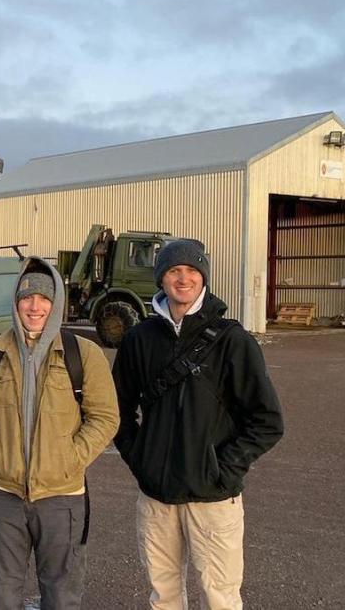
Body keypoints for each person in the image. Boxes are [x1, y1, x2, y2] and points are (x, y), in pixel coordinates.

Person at [112, 238, 284, 610]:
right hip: (157, 496)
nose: (183, 278)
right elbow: (116, 411)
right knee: (164, 596)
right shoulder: (139, 339)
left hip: (213, 498)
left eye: (192, 270)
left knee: (220, 597)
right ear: (162, 279)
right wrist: (141, 458)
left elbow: (268, 420)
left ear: (204, 278)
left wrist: (223, 468)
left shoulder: (232, 340)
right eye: (174, 270)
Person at [0, 259, 120, 610]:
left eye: (44, 299)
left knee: (62, 597)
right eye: (27, 298)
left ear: (57, 303)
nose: (35, 307)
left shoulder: (84, 355)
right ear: (16, 302)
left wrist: (70, 458)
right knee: (3, 596)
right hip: (2, 495)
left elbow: (105, 417)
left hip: (62, 498)